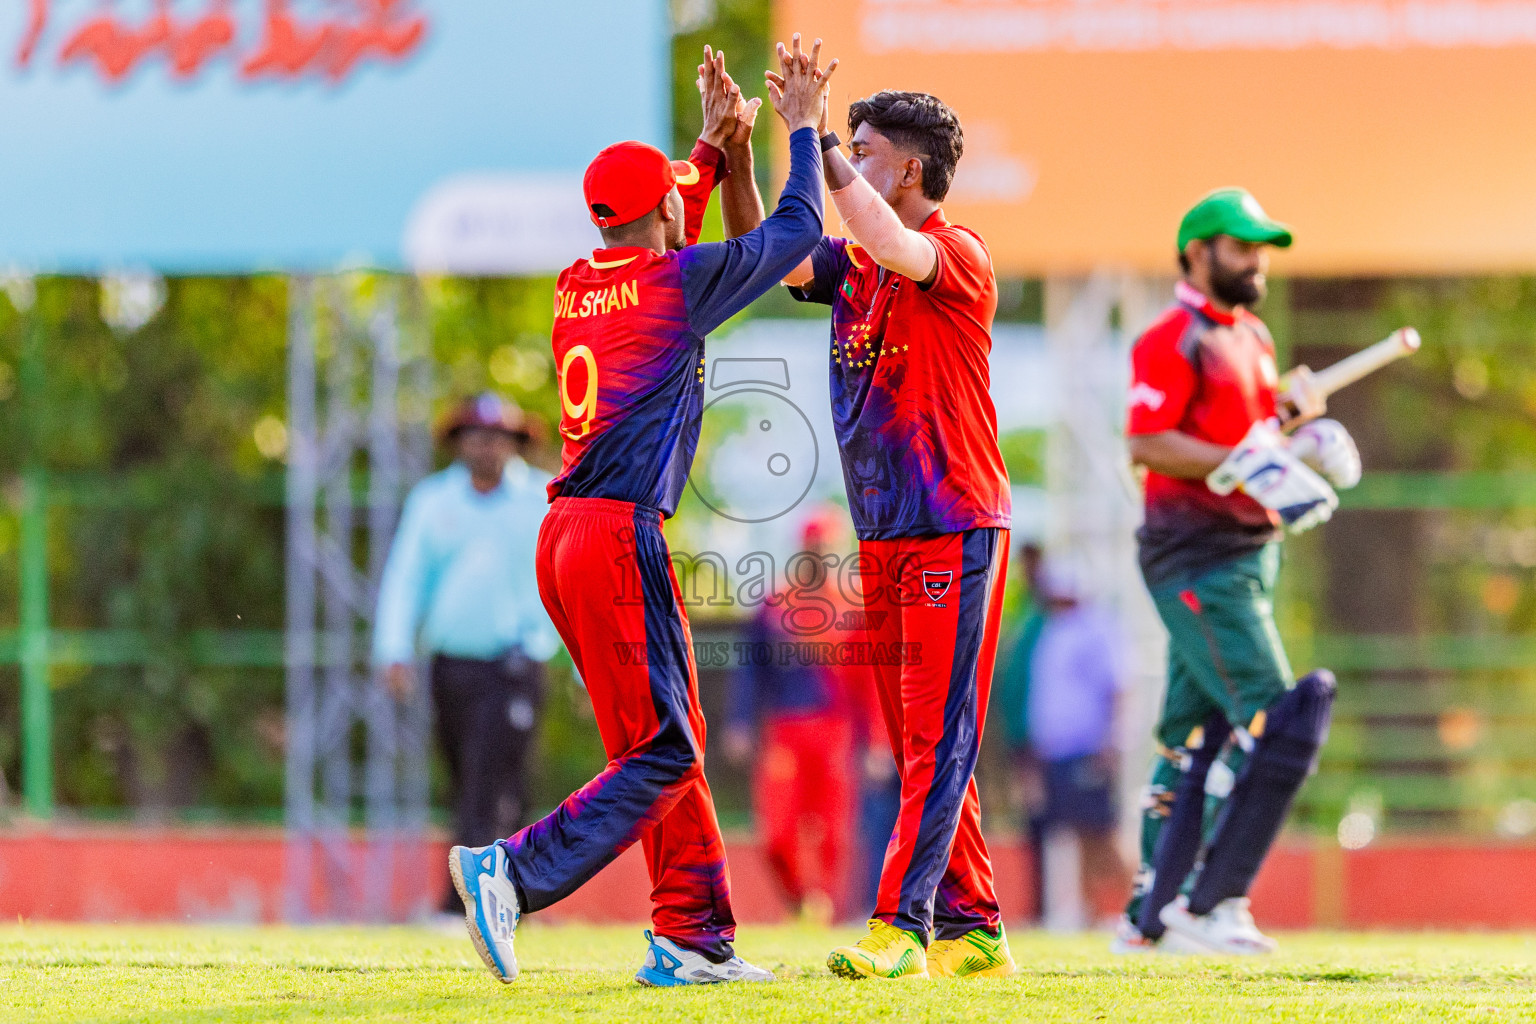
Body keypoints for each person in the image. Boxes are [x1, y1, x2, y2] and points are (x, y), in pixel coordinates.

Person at [446, 40, 831, 987]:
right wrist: (804, 129)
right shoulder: (675, 284)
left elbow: (666, 216)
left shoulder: (585, 281)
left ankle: (691, 937)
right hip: (618, 536)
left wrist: (706, 150)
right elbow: (797, 231)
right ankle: (514, 871)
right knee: (667, 749)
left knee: (661, 743)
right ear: (661, 212)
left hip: (567, 537)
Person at [726, 60, 1014, 978]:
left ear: (913, 173)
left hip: (953, 525)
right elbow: (767, 255)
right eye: (844, 146)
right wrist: (739, 157)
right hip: (887, 535)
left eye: (864, 152)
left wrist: (811, 141)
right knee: (914, 734)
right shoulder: (854, 263)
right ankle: (977, 928)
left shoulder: (956, 252)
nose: (847, 159)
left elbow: (894, 245)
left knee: (933, 733)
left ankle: (903, 928)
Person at [1114, 188, 1360, 955]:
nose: (1254, 261)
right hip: (1197, 560)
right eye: (1239, 246)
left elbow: (1254, 437)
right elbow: (1150, 442)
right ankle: (1209, 903)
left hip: (1252, 554)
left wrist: (1297, 423)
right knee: (1274, 718)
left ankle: (1149, 918)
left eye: (1260, 249)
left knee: (1189, 736)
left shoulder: (1252, 335)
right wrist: (1249, 457)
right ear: (1197, 251)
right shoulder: (1172, 335)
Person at [372, 392, 557, 921]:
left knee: (490, 780)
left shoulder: (538, 500)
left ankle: (463, 906)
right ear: (459, 443)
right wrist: (394, 648)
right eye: (476, 435)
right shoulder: (434, 502)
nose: (486, 446)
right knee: (468, 782)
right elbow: (407, 578)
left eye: (497, 436)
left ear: (514, 442)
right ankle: (510, 898)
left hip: (516, 665)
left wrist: (576, 658)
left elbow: (562, 577)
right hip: (452, 666)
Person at [723, 509, 863, 922]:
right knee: (777, 832)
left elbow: (871, 681)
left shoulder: (857, 606)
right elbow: (749, 669)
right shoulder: (774, 604)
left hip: (836, 731)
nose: (822, 556)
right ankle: (800, 898)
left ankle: (824, 905)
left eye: (829, 548)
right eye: (815, 548)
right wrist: (739, 722)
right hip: (785, 729)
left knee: (835, 831)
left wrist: (876, 738)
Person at [1021, 557, 1133, 928]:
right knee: (1078, 832)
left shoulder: (1097, 628)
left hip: (1089, 746)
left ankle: (1148, 903)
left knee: (1103, 834)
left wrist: (1111, 741)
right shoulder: (1053, 630)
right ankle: (1091, 912)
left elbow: (1117, 687)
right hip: (1058, 749)